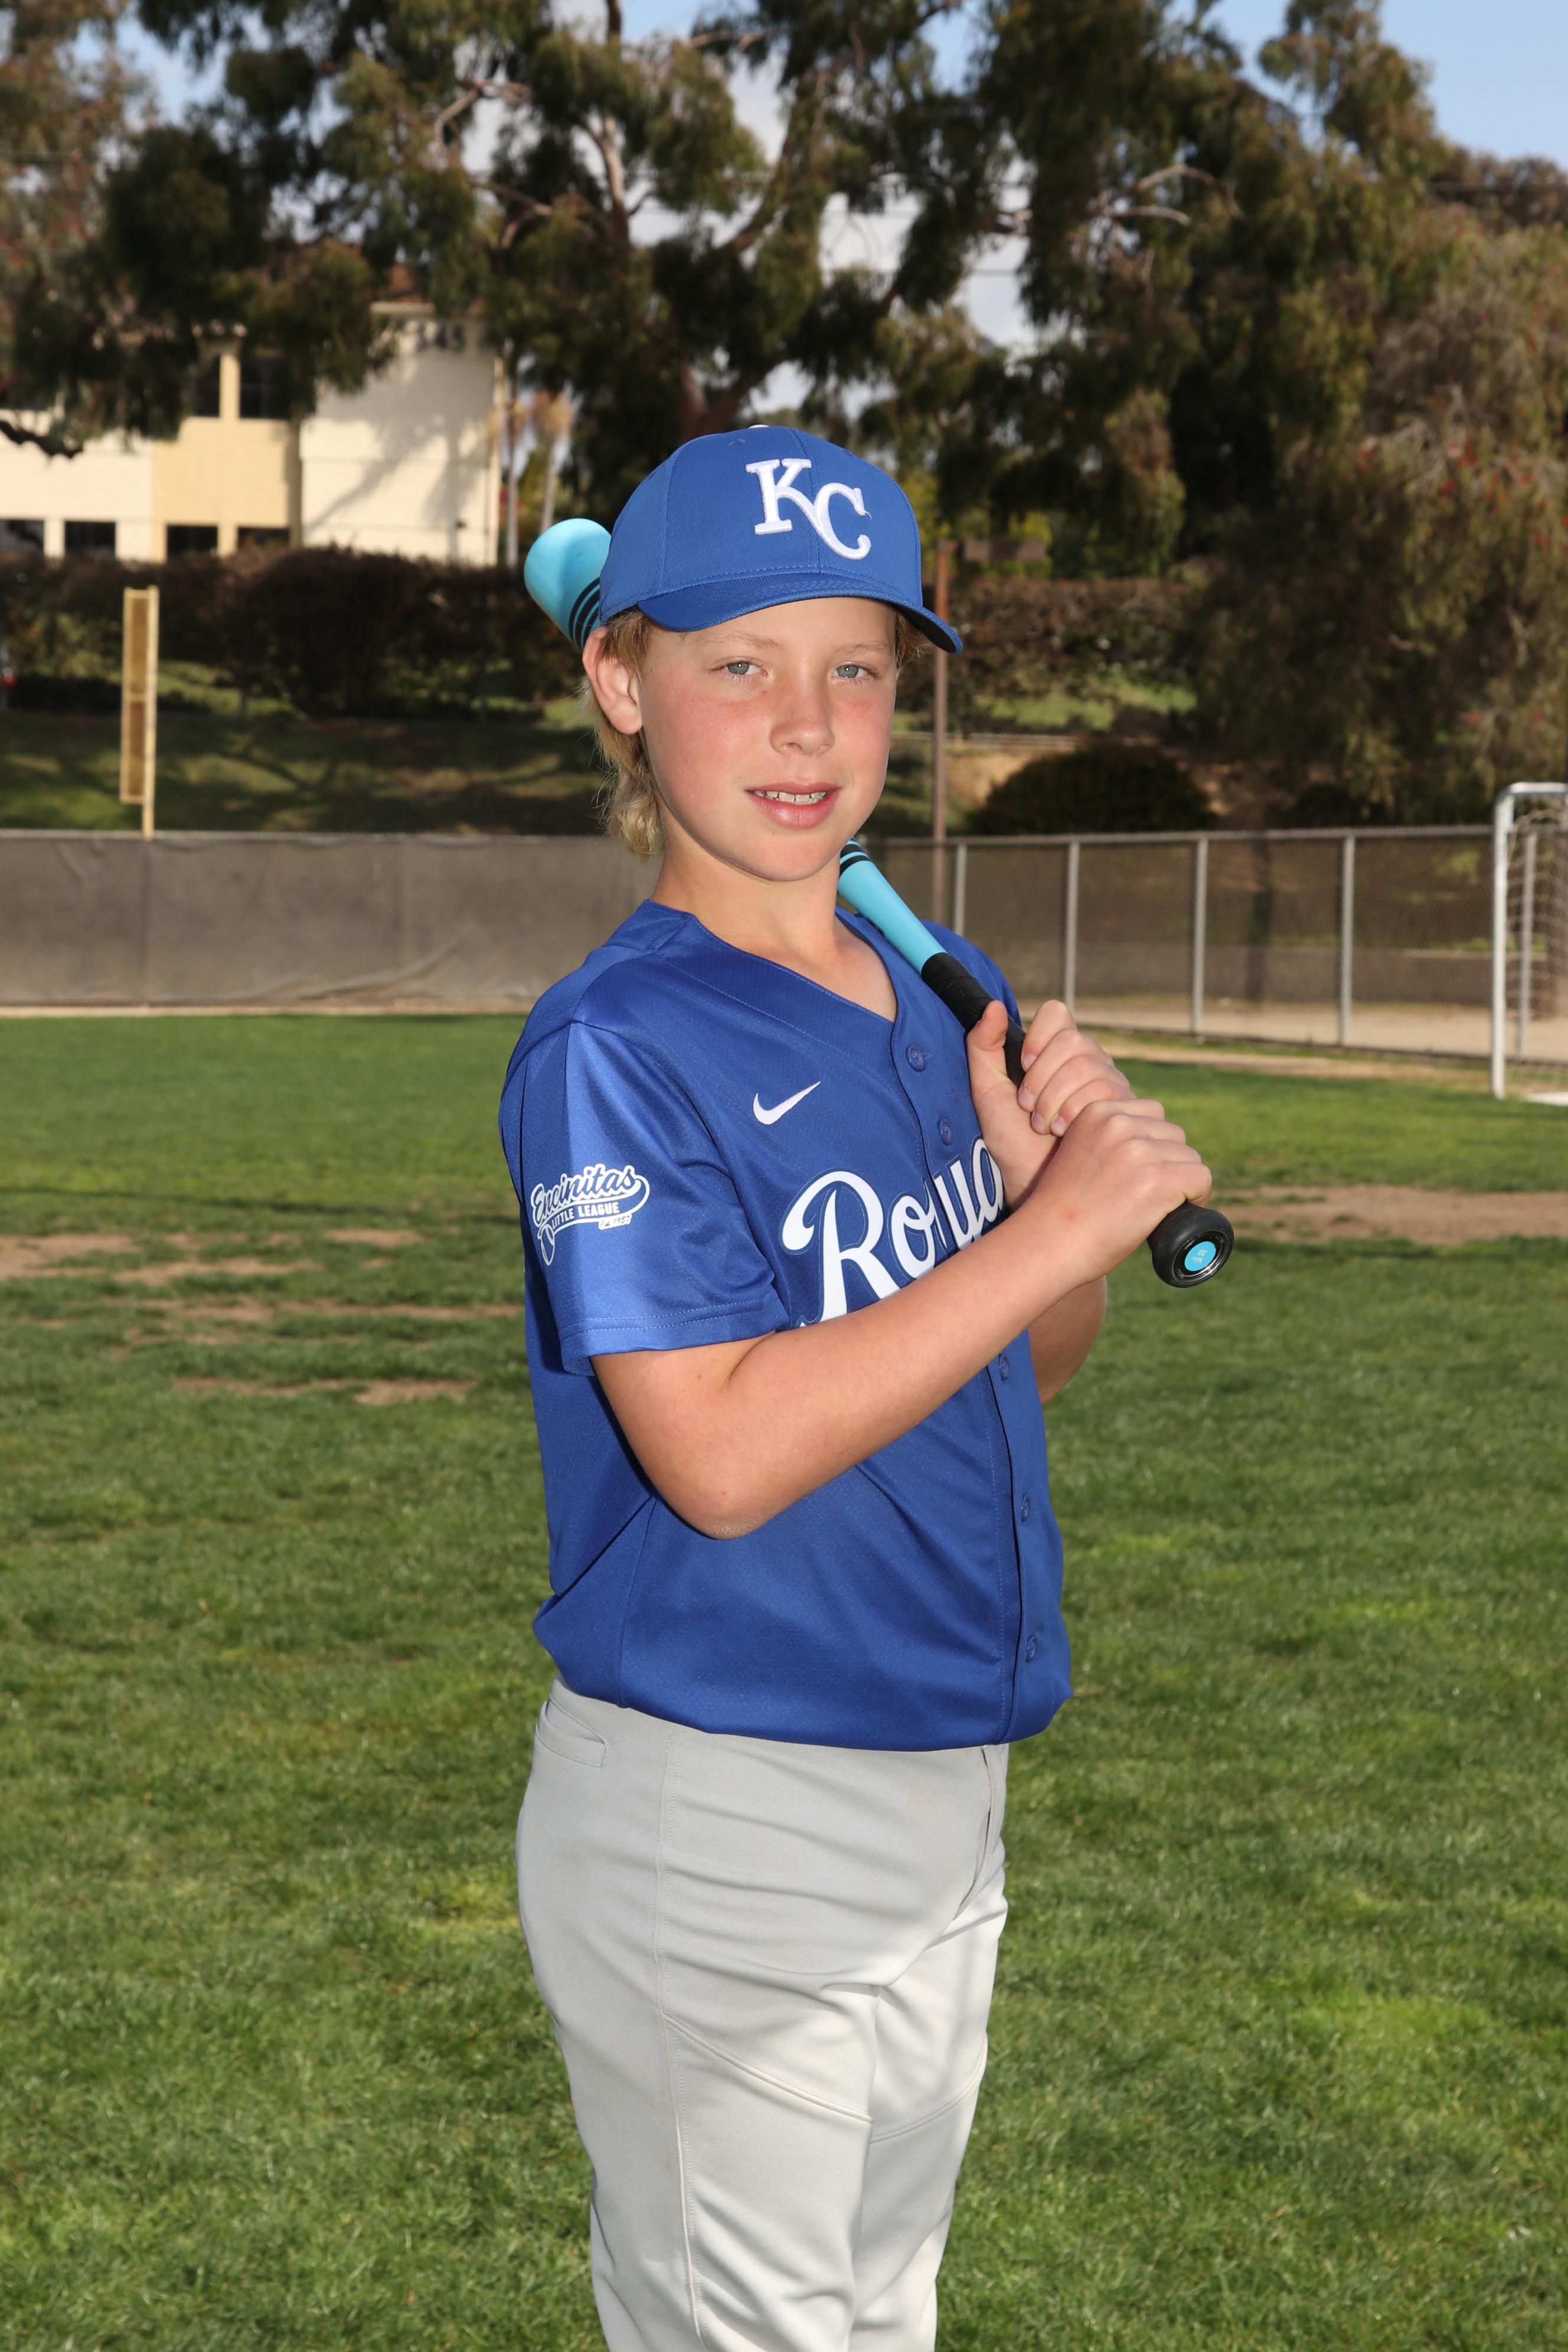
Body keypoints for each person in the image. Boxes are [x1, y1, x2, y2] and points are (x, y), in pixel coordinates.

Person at [497, 427, 1211, 2352]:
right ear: (620, 684)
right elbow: (722, 1454)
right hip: (729, 1796)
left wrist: (1043, 1214)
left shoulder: (919, 998)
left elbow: (1017, 1366)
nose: (806, 723)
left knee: (880, 2318)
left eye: (859, 668)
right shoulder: (615, 1046)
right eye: (738, 663)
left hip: (939, 1781)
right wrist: (1052, 1237)